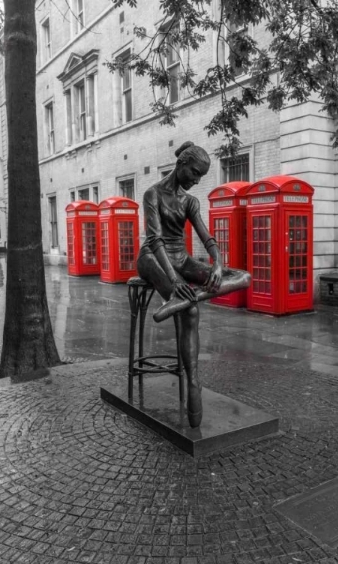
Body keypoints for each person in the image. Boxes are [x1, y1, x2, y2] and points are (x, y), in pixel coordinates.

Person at [137, 141, 251, 428]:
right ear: (182, 164)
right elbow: (155, 240)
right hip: (154, 259)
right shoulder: (152, 194)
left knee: (244, 276)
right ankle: (193, 380)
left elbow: (206, 237)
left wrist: (217, 264)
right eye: (195, 173)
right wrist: (174, 279)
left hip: (182, 258)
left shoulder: (190, 201)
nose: (197, 180)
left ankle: (182, 300)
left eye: (201, 175)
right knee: (191, 314)